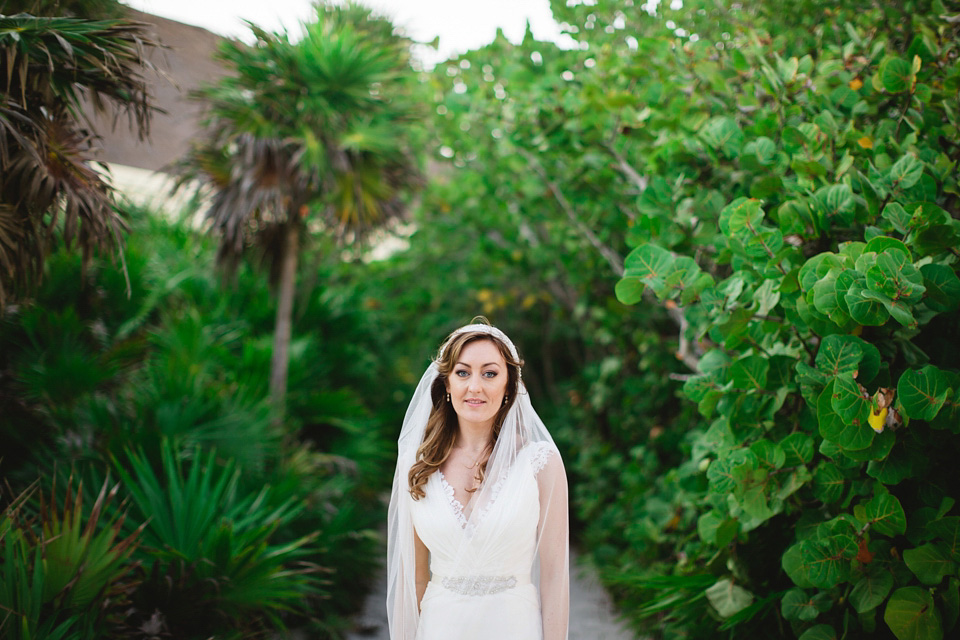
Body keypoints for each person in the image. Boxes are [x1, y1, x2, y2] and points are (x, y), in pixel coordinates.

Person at [386, 321, 570, 640]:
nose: (475, 387)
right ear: (446, 384)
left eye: (489, 373)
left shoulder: (540, 463)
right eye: (462, 372)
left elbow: (555, 577)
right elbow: (414, 579)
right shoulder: (417, 466)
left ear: (509, 385)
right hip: (439, 628)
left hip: (516, 627)